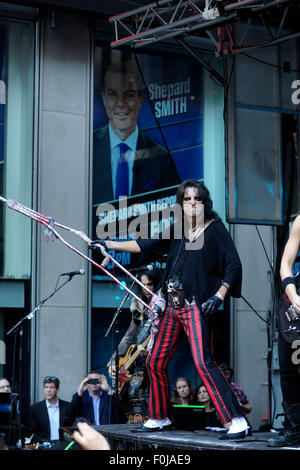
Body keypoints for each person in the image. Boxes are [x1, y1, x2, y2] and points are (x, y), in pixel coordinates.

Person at [89, 179, 250, 439]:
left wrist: (218, 297)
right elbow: (145, 246)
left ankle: (237, 421)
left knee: (202, 362)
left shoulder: (216, 230)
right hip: (171, 305)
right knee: (155, 360)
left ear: (205, 203)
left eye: (197, 199)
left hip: (196, 306)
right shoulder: (178, 229)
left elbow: (234, 265)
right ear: (180, 204)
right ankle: (159, 417)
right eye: (187, 199)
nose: (192, 203)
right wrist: (108, 244)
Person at [93, 59, 180, 205]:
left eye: (129, 95)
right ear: (103, 98)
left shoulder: (161, 159)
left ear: (140, 99)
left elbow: (172, 211)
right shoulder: (87, 150)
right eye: (112, 94)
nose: (120, 103)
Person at [107, 266, 163, 424]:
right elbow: (130, 335)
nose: (147, 288)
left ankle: (151, 421)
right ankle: (137, 422)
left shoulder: (162, 303)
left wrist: (151, 347)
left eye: (150, 284)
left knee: (135, 390)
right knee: (124, 394)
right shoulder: (138, 304)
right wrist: (113, 361)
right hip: (138, 357)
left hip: (156, 356)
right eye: (143, 284)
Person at [268, 214, 300, 447]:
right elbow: (285, 263)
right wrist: (293, 295)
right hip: (294, 301)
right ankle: (296, 427)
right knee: (289, 369)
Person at [27, 376, 72, 443]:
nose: (48, 390)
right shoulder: (35, 408)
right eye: (46, 387)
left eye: (52, 387)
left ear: (57, 390)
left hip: (63, 445)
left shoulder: (67, 407)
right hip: (44, 445)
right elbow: (32, 432)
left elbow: (71, 428)